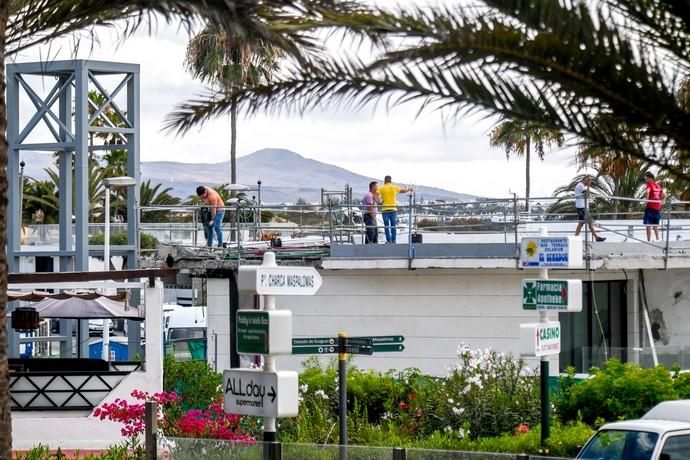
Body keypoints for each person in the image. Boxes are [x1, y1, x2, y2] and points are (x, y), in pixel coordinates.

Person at [377, 175, 413, 244]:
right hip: (393, 209)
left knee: (386, 226)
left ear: (384, 181)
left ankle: (388, 240)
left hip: (385, 210)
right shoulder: (394, 187)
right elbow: (403, 191)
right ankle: (394, 240)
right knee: (393, 226)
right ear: (391, 181)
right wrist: (408, 189)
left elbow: (375, 195)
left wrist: (379, 203)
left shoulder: (382, 188)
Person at [574, 176, 606, 242]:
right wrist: (588, 186)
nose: (588, 182)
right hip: (582, 207)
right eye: (588, 181)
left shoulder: (580, 186)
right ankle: (596, 237)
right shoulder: (580, 185)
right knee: (588, 223)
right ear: (584, 180)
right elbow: (587, 194)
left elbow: (585, 196)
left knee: (581, 223)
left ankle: (576, 237)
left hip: (582, 207)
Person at [644, 172, 666, 242]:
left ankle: (649, 241)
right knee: (655, 226)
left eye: (647, 179)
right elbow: (664, 196)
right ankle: (657, 240)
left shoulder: (649, 185)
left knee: (648, 226)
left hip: (650, 208)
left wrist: (646, 200)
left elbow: (647, 192)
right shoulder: (658, 186)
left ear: (651, 179)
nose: (646, 180)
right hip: (657, 209)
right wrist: (663, 201)